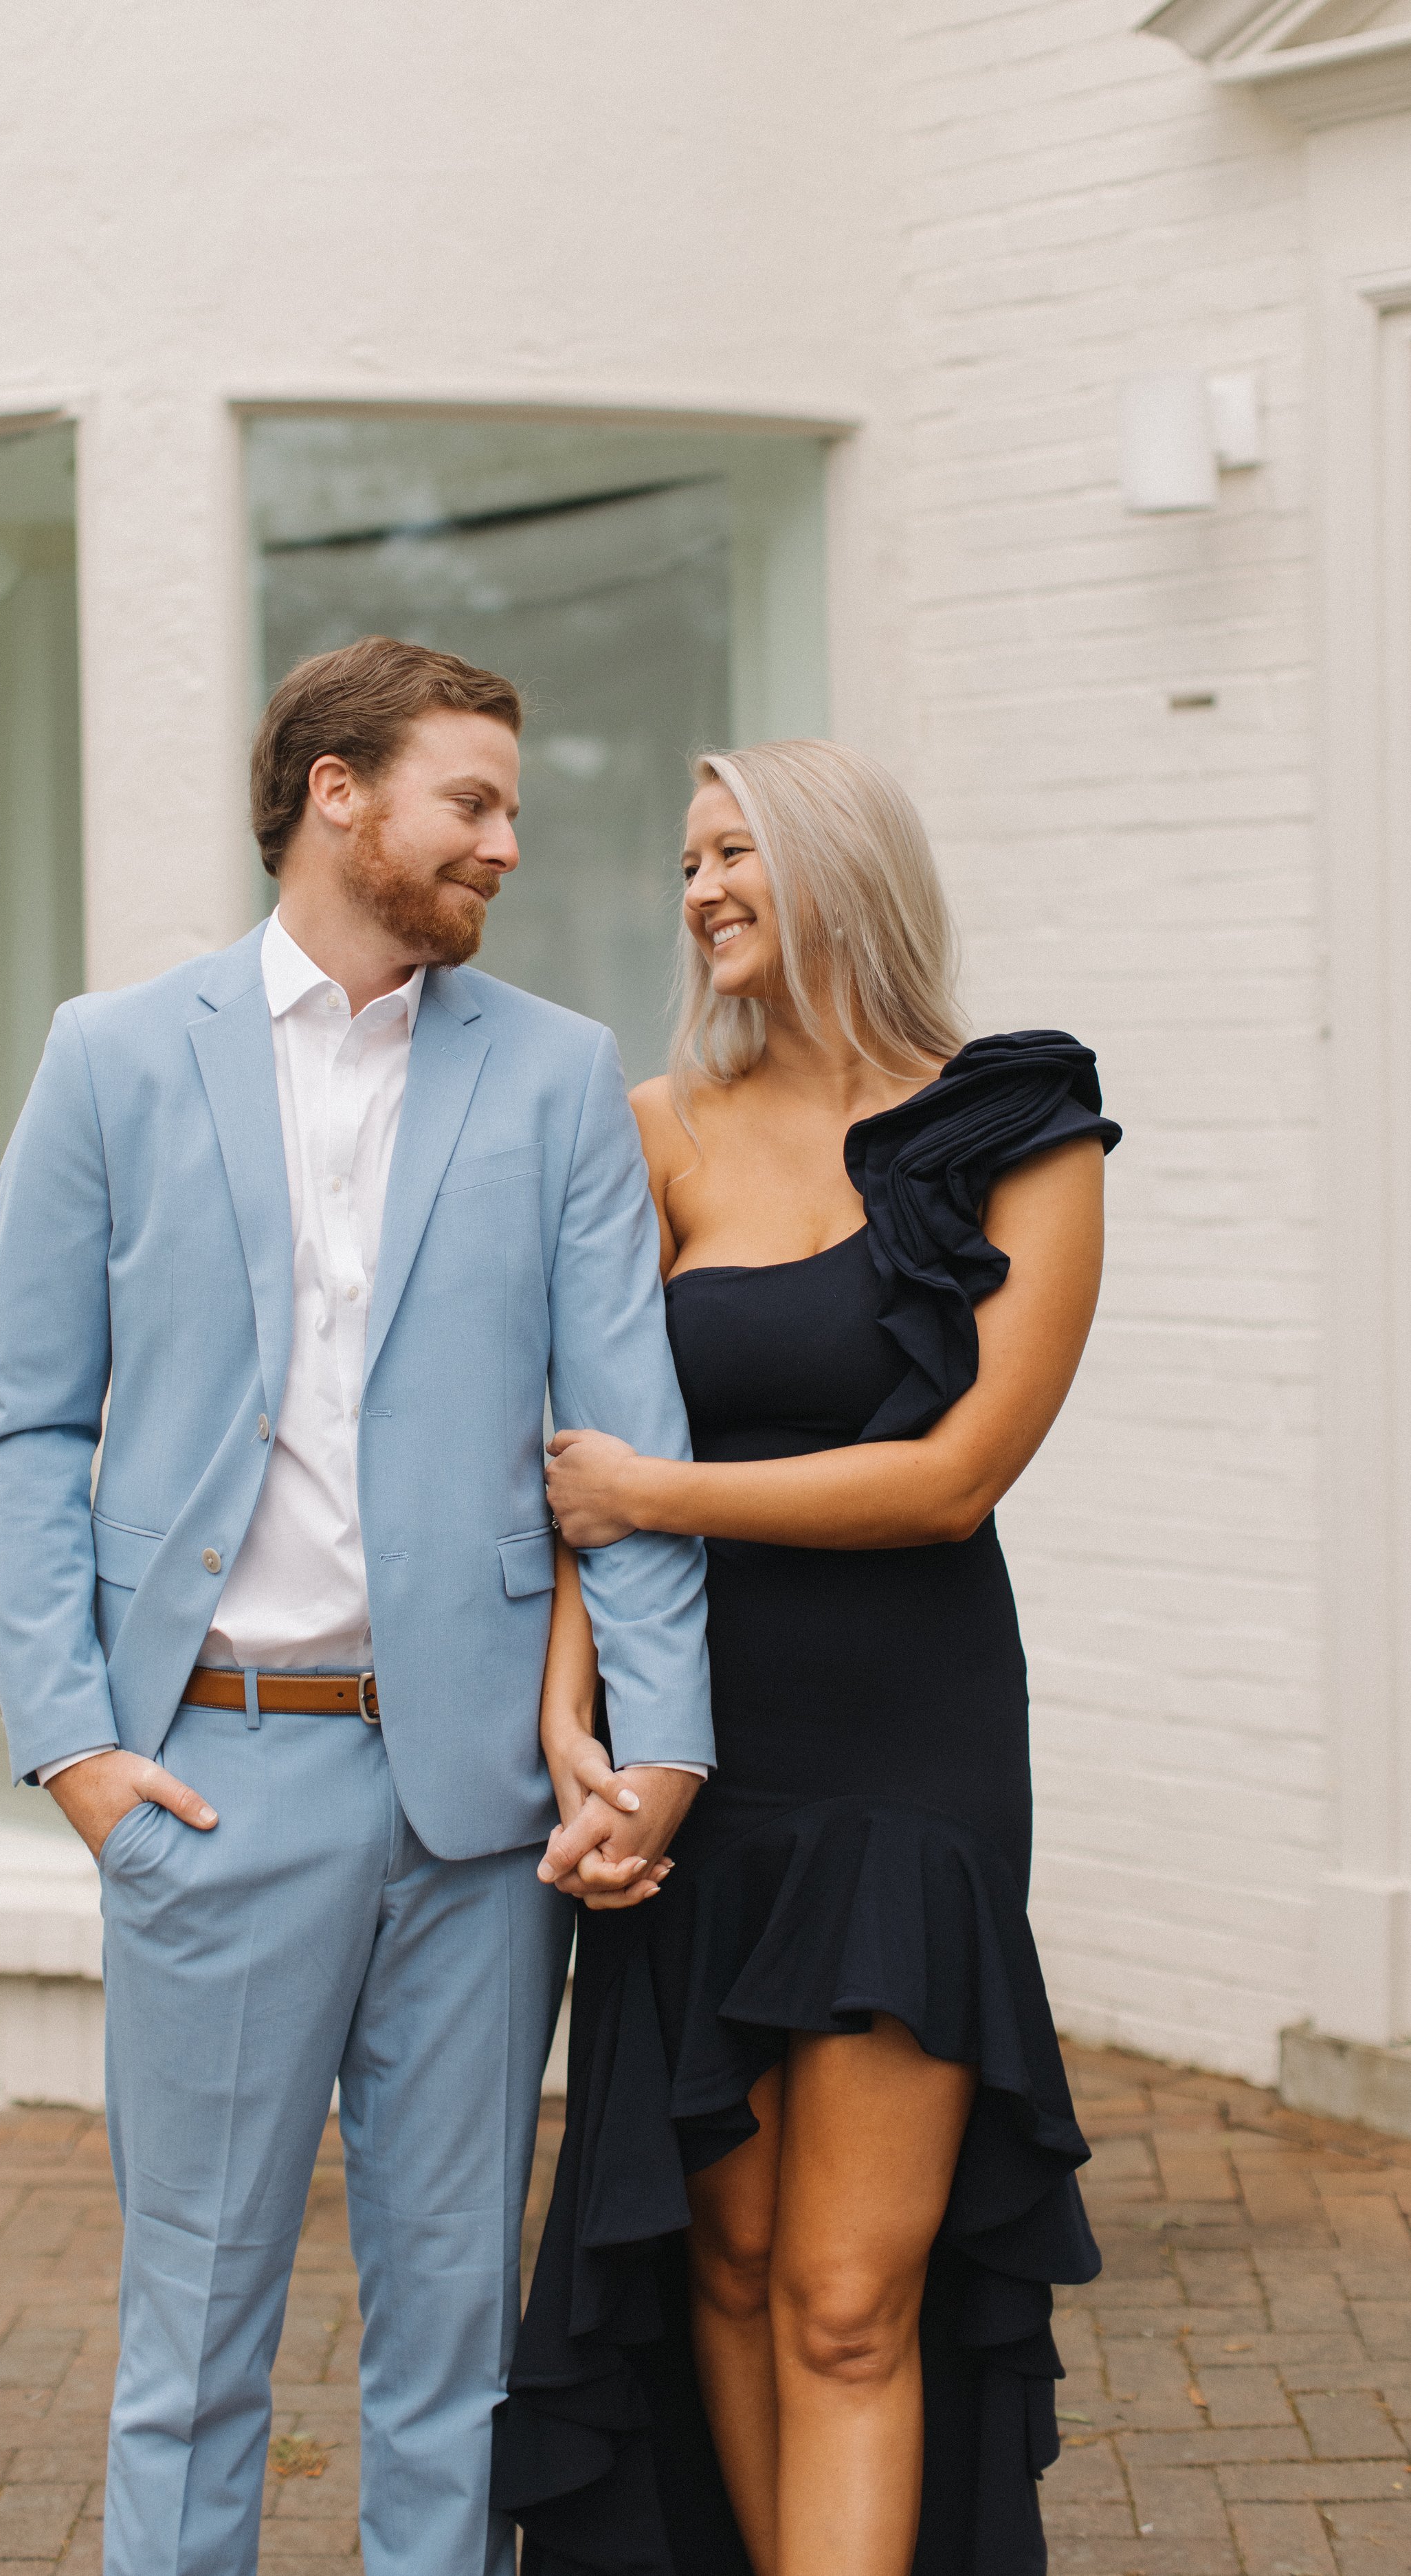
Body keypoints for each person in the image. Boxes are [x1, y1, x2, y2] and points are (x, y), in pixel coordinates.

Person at [0, 634, 713, 2576]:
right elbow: (22, 1424)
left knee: (450, 2349)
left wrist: (662, 1741)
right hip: (213, 1778)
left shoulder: (550, 1076)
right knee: (193, 2340)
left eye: (513, 809)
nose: (508, 845)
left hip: (477, 1813)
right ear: (336, 793)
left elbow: (621, 1435)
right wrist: (78, 1749)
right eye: (474, 801)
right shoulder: (113, 1056)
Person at [495, 739, 1120, 2576]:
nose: (698, 892)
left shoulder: (1025, 1128)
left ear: (837, 867)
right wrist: (566, 1717)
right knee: (734, 2257)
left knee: (850, 2294)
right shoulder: (654, 1123)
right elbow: (567, 1476)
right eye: (687, 862)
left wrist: (659, 1487)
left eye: (732, 851)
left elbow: (953, 1474)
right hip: (696, 1753)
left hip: (898, 1763)